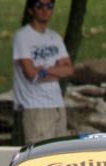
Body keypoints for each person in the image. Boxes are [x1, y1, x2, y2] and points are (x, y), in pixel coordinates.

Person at [13, 0, 74, 145]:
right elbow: (31, 74)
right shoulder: (23, 37)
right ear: (30, 10)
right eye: (39, 5)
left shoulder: (55, 38)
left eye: (49, 6)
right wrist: (57, 70)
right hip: (36, 107)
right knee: (39, 155)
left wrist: (45, 71)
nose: (45, 9)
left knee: (60, 153)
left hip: (57, 104)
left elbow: (69, 69)